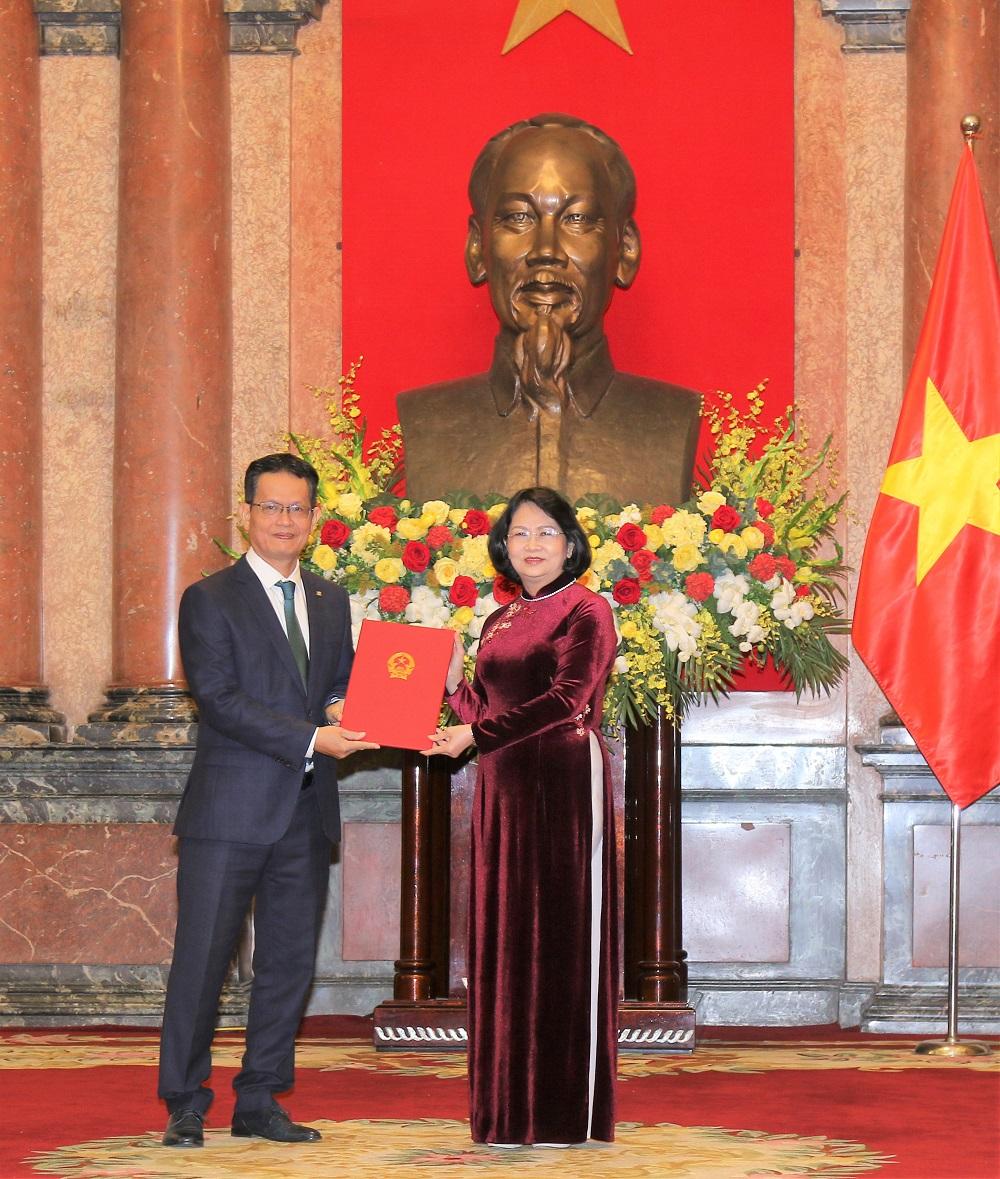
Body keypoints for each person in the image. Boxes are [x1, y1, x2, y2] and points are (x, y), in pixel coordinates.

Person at [158, 452, 379, 1148]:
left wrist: (346, 707)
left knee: (288, 963)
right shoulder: (209, 598)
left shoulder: (329, 599)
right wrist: (314, 736)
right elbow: (219, 699)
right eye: (271, 506)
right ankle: (185, 1100)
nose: (285, 520)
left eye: (297, 508)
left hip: (305, 810)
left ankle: (258, 1097)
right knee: (203, 958)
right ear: (247, 512)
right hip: (229, 811)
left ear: (314, 518)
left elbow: (338, 681)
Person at [423, 486, 619, 1147]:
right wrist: (454, 683)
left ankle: (563, 1113)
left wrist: (475, 735)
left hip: (562, 781)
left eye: (546, 532)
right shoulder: (499, 620)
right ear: (502, 547)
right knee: (505, 940)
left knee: (560, 938)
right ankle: (508, 1109)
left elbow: (568, 700)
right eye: (519, 533)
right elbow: (484, 712)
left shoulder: (587, 609)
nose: (532, 544)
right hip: (503, 785)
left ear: (570, 544)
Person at [398, 112, 701, 507]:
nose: (546, 251)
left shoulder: (671, 421)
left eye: (577, 219)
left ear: (625, 250)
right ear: (477, 248)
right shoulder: (427, 422)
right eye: (518, 218)